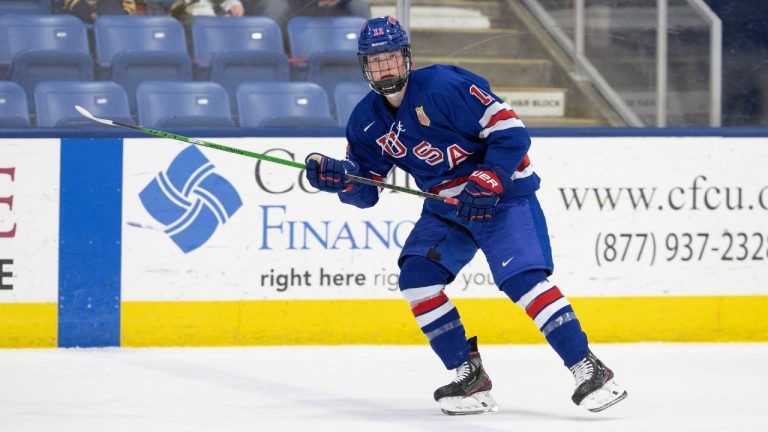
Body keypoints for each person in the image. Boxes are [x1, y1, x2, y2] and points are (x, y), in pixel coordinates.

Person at [303, 16, 628, 415]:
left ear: (406, 57)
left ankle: (588, 367)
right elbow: (366, 193)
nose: (384, 66)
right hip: (448, 209)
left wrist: (490, 178)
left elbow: (511, 132)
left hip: (503, 197)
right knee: (417, 279)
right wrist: (340, 180)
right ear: (364, 66)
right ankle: (469, 376)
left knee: (523, 281)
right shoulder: (365, 121)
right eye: (375, 60)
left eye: (390, 56)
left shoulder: (444, 86)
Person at [63, 0, 138, 23]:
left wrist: (123, 16)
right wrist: (90, 14)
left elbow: (129, 5)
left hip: (115, 19)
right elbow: (71, 2)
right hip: (85, 19)